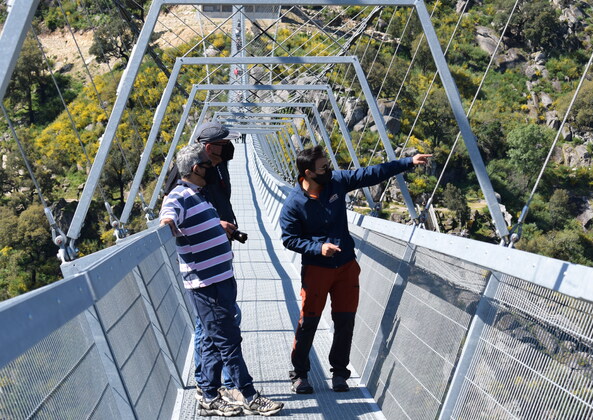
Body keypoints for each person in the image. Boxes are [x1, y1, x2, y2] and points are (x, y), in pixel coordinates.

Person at [279, 145, 431, 394]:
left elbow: (372, 174)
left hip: (346, 267)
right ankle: (300, 374)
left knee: (345, 320)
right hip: (317, 270)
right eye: (323, 168)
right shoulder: (294, 205)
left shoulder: (336, 182)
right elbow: (289, 239)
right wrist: (318, 248)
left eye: (328, 165)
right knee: (309, 322)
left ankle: (339, 373)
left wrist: (408, 162)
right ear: (308, 173)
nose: (329, 170)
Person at [161, 143, 283, 417]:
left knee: (213, 340)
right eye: (207, 164)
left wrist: (219, 227)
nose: (212, 167)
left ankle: (208, 395)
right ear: (195, 169)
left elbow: (195, 223)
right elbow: (168, 215)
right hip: (206, 284)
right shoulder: (179, 195)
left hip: (221, 278)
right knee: (228, 340)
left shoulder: (199, 195)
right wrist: (167, 223)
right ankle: (250, 396)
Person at [165, 121, 243, 401]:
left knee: (218, 324)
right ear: (210, 147)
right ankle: (211, 384)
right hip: (203, 267)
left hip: (217, 258)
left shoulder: (215, 164)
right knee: (213, 326)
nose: (230, 147)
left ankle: (213, 384)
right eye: (224, 144)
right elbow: (175, 203)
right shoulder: (191, 170)